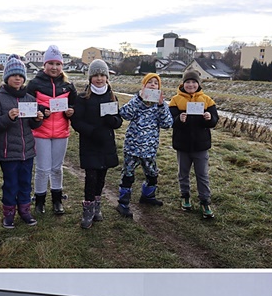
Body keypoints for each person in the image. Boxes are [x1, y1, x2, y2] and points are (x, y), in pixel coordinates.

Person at [0, 55, 45, 229]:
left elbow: (33, 125)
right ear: (6, 78)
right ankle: (9, 214)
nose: (17, 79)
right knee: (11, 184)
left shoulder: (30, 99)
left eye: (20, 76)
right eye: (13, 75)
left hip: (27, 151)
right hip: (8, 152)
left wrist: (38, 119)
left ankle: (25, 211)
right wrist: (8, 117)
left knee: (26, 183)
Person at [70, 59, 123, 228]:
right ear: (90, 78)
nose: (99, 78)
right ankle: (88, 209)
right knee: (91, 177)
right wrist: (92, 131)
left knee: (101, 177)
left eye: (102, 75)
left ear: (107, 77)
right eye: (96, 75)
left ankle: (97, 207)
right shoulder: (83, 97)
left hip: (106, 144)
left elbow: (118, 120)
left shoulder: (111, 96)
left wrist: (113, 120)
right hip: (90, 143)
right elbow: (76, 122)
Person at [27, 45, 77, 215]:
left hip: (61, 133)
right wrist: (40, 109)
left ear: (62, 65)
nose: (54, 67)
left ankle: (57, 200)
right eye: (51, 63)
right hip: (41, 133)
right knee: (42, 169)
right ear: (44, 65)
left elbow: (75, 105)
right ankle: (39, 201)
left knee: (57, 168)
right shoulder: (34, 84)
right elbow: (27, 106)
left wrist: (71, 111)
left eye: (58, 64)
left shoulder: (68, 85)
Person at [117, 73, 173, 218]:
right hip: (132, 148)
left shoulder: (160, 105)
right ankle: (123, 204)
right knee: (128, 176)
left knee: (152, 174)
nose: (153, 85)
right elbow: (124, 114)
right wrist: (139, 99)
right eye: (150, 82)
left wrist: (161, 105)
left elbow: (167, 124)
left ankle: (147, 196)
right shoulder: (136, 101)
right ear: (144, 86)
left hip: (149, 149)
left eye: (156, 83)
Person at [169, 70, 219, 219]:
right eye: (188, 82)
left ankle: (205, 201)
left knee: (202, 175)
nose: (191, 85)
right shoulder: (175, 100)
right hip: (182, 144)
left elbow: (214, 121)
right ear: (183, 84)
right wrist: (179, 119)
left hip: (201, 145)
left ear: (198, 84)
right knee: (183, 173)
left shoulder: (207, 100)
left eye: (194, 82)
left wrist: (209, 118)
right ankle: (185, 197)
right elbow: (170, 121)